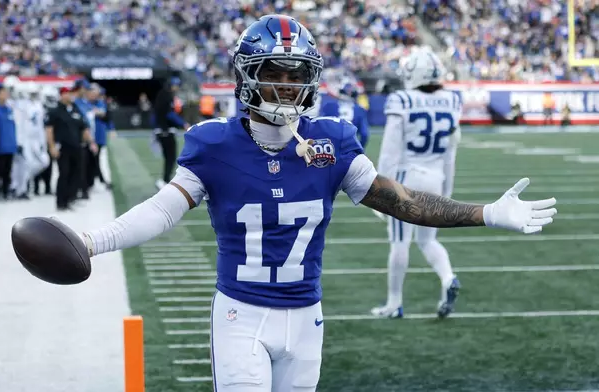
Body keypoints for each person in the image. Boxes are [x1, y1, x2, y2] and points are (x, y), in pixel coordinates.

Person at [66, 15, 556, 392]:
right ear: (247, 79)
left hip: (307, 318)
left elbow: (403, 202)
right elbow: (161, 210)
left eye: (296, 74)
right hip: (241, 314)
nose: (287, 85)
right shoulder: (214, 144)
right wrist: (92, 241)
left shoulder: (334, 142)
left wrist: (485, 213)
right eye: (274, 74)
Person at [370, 48, 463, 319]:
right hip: (436, 178)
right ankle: (448, 278)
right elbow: (450, 154)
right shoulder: (451, 101)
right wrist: (447, 189)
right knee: (427, 241)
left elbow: (390, 151)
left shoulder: (402, 99)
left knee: (400, 242)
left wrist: (379, 191)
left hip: (406, 179)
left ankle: (394, 303)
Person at [45, 87, 97, 211]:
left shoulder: (75, 109)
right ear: (61, 95)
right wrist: (51, 146)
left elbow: (83, 128)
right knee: (64, 173)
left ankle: (70, 198)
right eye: (66, 93)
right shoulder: (55, 111)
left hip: (76, 146)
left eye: (70, 93)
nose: (69, 96)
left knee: (76, 173)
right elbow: (49, 130)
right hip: (62, 147)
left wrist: (91, 142)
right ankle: (61, 202)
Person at [153, 76, 190, 190]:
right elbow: (169, 114)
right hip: (166, 131)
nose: (177, 88)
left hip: (162, 130)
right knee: (170, 157)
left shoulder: (162, 95)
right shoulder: (166, 96)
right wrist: (183, 123)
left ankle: (165, 179)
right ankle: (164, 180)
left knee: (168, 157)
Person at [320, 79, 369, 147]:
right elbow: (364, 134)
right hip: (350, 144)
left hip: (332, 144)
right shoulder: (360, 109)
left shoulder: (329, 106)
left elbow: (321, 127)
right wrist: (360, 147)